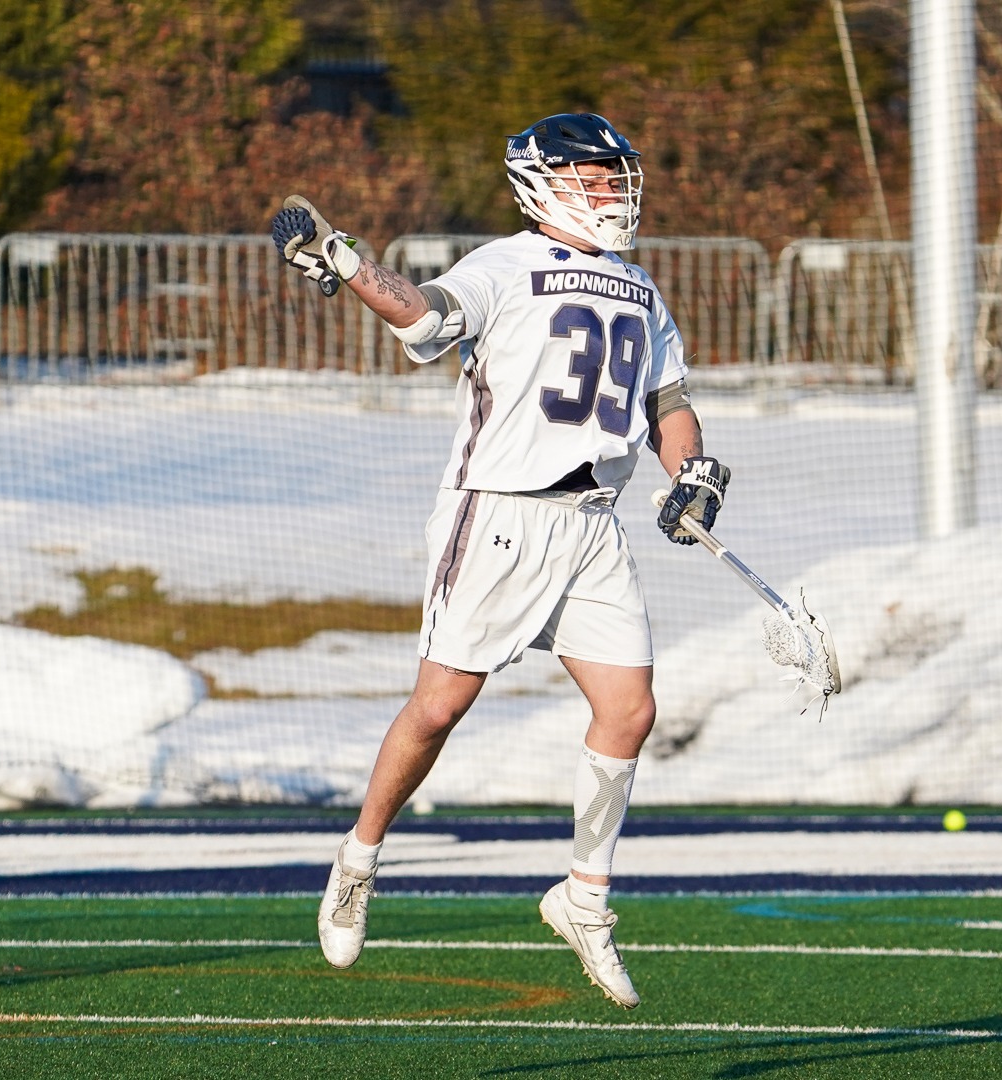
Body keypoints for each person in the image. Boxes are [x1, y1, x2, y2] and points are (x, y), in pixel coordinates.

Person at [269, 112, 729, 1010]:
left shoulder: (640, 287)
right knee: (441, 706)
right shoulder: (505, 265)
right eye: (596, 175)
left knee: (630, 710)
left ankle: (583, 898)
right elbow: (426, 314)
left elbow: (668, 402)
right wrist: (347, 260)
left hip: (593, 523)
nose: (613, 189)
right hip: (502, 518)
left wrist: (695, 472)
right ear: (546, 180)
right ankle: (359, 856)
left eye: (615, 174)